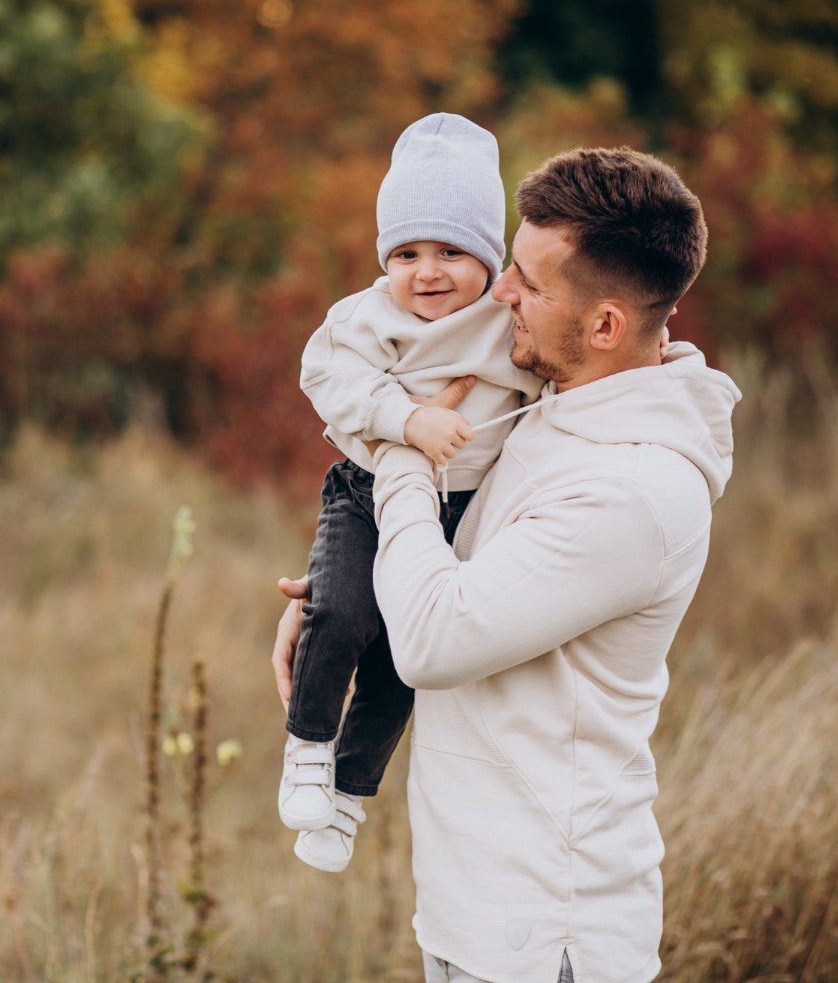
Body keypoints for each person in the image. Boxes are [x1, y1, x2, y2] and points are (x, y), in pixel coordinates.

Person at [272, 146, 741, 983]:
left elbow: (433, 639)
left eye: (527, 281)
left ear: (604, 326)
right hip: (474, 912)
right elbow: (458, 559)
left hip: (545, 938)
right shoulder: (562, 399)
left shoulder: (632, 490)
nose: (498, 294)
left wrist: (404, 443)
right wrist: (340, 598)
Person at [277, 113, 542, 873]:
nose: (428, 272)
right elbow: (326, 380)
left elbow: (557, 375)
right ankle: (307, 748)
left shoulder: (506, 321)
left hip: (460, 511)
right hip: (367, 494)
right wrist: (407, 418)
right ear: (384, 260)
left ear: (490, 260)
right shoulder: (366, 317)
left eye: (452, 252)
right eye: (407, 253)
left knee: (404, 657)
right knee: (340, 616)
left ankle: (350, 798)